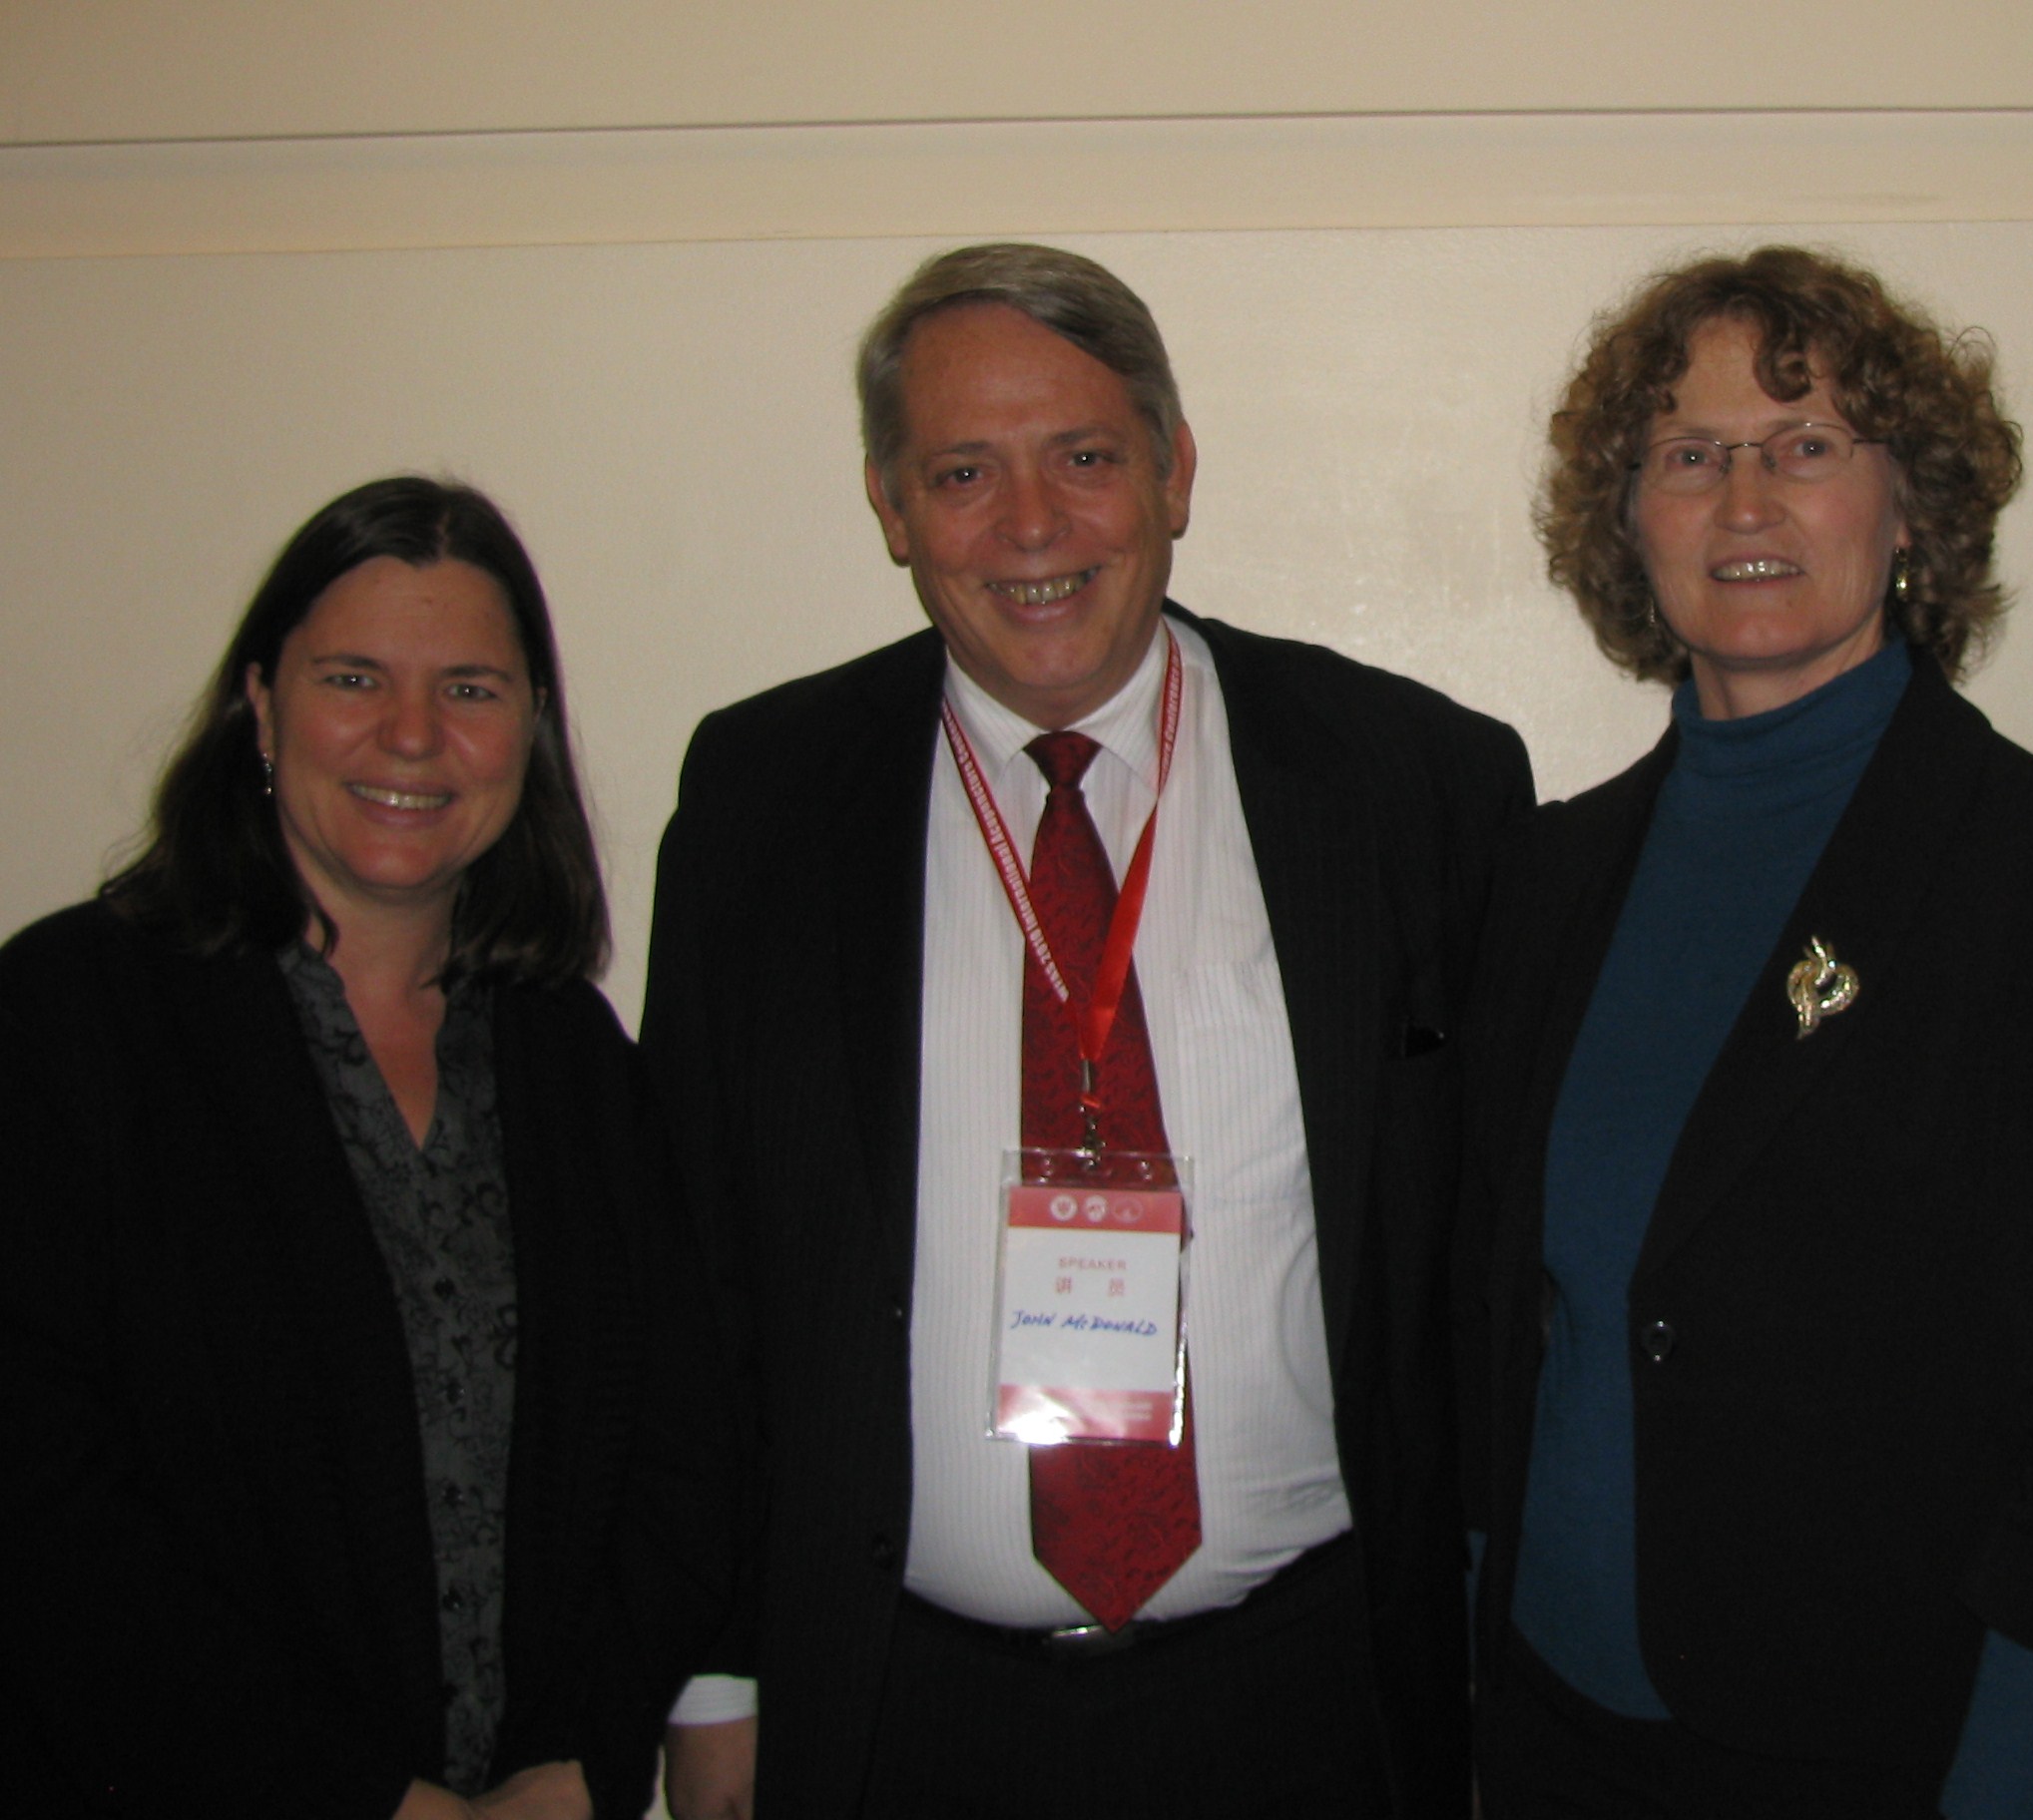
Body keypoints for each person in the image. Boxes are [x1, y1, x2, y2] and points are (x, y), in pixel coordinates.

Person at [645, 241, 1532, 1818]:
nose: (1033, 526)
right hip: (901, 1717)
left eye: (1086, 458)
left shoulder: (1414, 783)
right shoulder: (764, 801)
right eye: (964, 471)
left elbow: (1492, 1267)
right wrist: (715, 1678)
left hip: (1316, 1703)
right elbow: (693, 1270)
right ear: (890, 506)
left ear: (1175, 472)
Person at [1460, 245, 2033, 1816]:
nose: (1745, 501)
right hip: (1548, 1732)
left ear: (1911, 503)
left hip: (1893, 1752)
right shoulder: (1548, 875)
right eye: (1689, 456)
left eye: (1806, 445)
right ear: (1628, 521)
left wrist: (2017, 1786)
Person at [0, 478, 711, 1818]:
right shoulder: (70, 1024)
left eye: (473, 690)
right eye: (353, 678)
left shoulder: (572, 1059)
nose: (411, 735)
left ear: (531, 732)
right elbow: (42, 1510)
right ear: (261, 709)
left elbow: (677, 1451)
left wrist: (581, 1754)